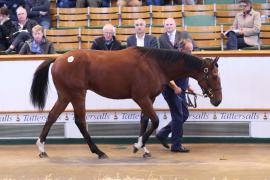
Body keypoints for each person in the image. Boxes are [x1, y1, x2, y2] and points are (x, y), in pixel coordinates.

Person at [156, 18, 196, 153]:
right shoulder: (173, 59)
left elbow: (183, 74)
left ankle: (162, 133)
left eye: (192, 50)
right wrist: (175, 87)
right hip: (170, 90)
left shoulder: (185, 58)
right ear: (182, 49)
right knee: (178, 116)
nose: (191, 53)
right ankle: (176, 145)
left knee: (184, 114)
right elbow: (166, 76)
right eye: (189, 51)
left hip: (180, 89)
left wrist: (188, 85)